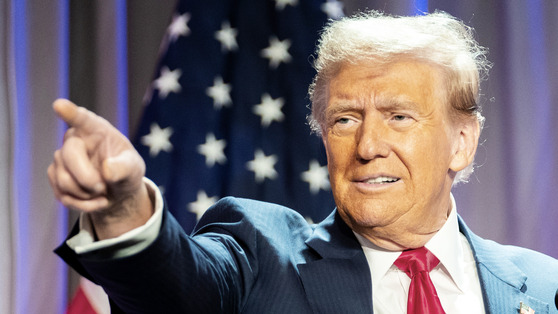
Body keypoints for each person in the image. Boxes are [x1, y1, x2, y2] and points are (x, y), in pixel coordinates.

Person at [49, 11, 558, 314]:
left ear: (462, 142)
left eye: (399, 116)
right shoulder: (260, 256)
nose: (367, 146)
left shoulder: (542, 286)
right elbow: (177, 290)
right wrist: (122, 209)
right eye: (344, 120)